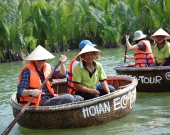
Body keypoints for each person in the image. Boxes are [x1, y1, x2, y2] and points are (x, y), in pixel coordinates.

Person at [17, 45, 84, 106]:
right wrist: (31, 92)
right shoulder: (27, 72)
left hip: (50, 97)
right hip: (40, 101)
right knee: (68, 98)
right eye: (38, 59)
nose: (41, 61)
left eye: (43, 59)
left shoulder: (48, 67)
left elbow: (62, 75)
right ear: (33, 59)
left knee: (79, 98)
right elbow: (20, 91)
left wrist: (62, 64)